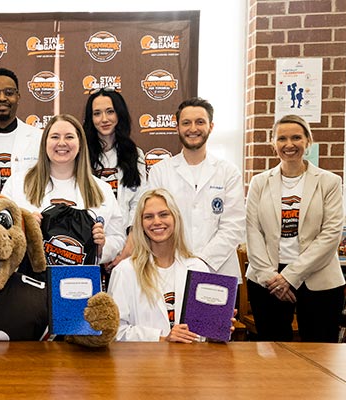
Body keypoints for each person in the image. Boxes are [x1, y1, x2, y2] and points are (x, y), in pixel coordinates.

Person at [245, 115, 344, 343]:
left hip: (318, 279)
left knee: (320, 355)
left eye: (296, 137)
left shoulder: (329, 182)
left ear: (308, 141)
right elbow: (253, 231)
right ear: (273, 144)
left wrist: (290, 276)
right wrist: (272, 277)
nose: (289, 144)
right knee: (272, 356)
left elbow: (330, 235)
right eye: (282, 138)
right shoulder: (259, 182)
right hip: (268, 280)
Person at [1, 114, 125, 266]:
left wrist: (101, 247)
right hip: (31, 281)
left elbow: (117, 237)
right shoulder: (17, 184)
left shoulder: (101, 189)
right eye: (54, 137)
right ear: (44, 143)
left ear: (80, 143)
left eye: (69, 137)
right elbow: (1, 233)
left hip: (81, 283)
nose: (61, 143)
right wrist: (24, 230)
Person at [147, 97, 245, 281]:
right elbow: (154, 223)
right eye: (186, 123)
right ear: (177, 127)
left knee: (212, 311)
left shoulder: (228, 172)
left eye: (200, 122)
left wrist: (201, 261)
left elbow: (234, 226)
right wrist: (184, 263)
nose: (193, 129)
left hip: (218, 270)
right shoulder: (160, 171)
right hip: (171, 268)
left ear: (211, 126)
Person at [107, 189, 209, 342]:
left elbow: (203, 333)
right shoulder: (124, 271)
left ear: (176, 218)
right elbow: (115, 331)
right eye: (148, 217)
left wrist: (217, 329)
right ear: (140, 224)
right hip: (144, 363)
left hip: (190, 362)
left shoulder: (197, 268)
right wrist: (162, 339)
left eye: (163, 214)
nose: (157, 222)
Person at [83, 88, 147, 269]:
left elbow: (138, 204)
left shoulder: (135, 155)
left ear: (119, 114)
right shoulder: (81, 155)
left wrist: (127, 249)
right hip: (89, 245)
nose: (104, 119)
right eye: (97, 113)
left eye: (110, 111)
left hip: (129, 248)